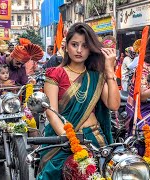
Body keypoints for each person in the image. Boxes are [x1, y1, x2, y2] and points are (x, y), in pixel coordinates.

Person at [37, 22, 120, 179]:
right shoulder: (55, 74)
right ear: (66, 47)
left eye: (85, 45)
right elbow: (51, 113)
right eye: (74, 44)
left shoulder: (96, 75)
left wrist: (109, 70)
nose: (79, 50)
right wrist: (72, 141)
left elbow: (113, 105)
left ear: (90, 49)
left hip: (95, 138)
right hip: (63, 140)